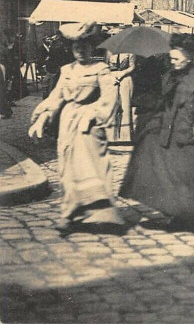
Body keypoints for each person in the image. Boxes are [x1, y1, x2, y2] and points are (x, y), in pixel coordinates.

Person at [119, 33, 194, 232]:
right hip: (172, 131)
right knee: (175, 175)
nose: (173, 62)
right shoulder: (169, 76)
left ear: (189, 56)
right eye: (171, 58)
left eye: (177, 58)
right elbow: (163, 101)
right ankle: (181, 214)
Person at [28, 22, 124, 234]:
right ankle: (68, 213)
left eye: (85, 46)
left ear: (91, 47)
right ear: (71, 49)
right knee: (68, 169)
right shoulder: (66, 71)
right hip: (69, 124)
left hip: (89, 126)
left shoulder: (101, 69)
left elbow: (110, 97)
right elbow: (56, 98)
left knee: (92, 169)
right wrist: (41, 119)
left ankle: (102, 214)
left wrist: (94, 114)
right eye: (76, 47)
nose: (81, 51)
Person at [105, 52, 136, 143]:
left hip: (125, 79)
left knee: (125, 107)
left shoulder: (130, 52)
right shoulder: (109, 52)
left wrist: (122, 73)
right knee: (112, 106)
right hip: (112, 79)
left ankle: (125, 137)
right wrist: (111, 77)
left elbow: (132, 66)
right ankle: (111, 137)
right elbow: (106, 67)